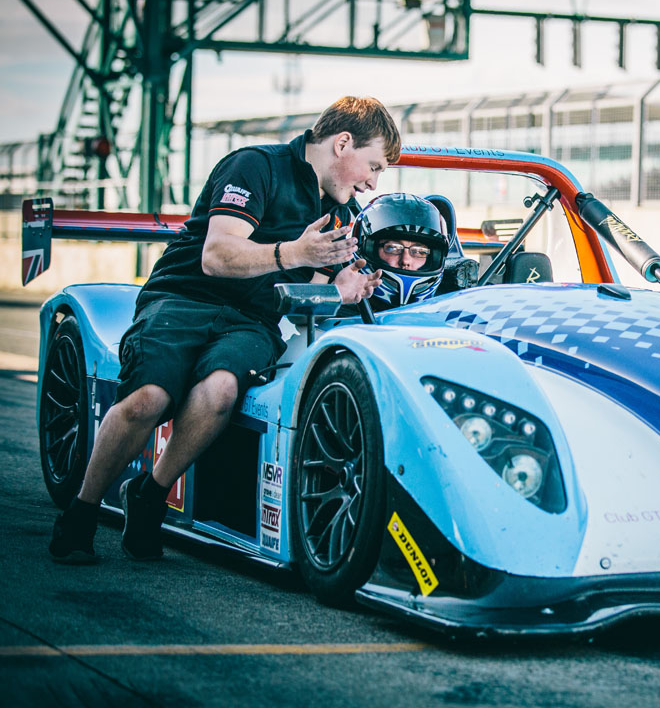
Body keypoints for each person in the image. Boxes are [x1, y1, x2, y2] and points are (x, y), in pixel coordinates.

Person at [49, 96, 401, 563]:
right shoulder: (255, 166)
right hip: (182, 297)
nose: (373, 183)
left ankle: (149, 494)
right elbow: (216, 257)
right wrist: (296, 253)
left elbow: (303, 301)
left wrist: (338, 292)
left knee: (219, 392)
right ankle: (82, 510)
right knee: (149, 397)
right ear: (342, 143)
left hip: (251, 321)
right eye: (373, 166)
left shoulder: (342, 216)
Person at [353, 193, 450, 310]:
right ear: (368, 248)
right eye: (392, 248)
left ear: (433, 257)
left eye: (419, 251)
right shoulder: (339, 305)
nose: (405, 261)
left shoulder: (448, 306)